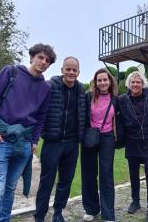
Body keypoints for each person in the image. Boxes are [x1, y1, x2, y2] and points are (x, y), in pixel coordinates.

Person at [0, 43, 56, 222]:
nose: (43, 62)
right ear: (31, 57)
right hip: (1, 139)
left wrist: (34, 141)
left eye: (47, 60)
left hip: (24, 143)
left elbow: (41, 117)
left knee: (10, 188)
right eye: (40, 57)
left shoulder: (46, 88)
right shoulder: (11, 72)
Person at [34, 56, 86, 222]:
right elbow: (38, 110)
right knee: (46, 181)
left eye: (74, 70)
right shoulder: (50, 86)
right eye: (68, 69)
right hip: (52, 142)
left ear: (78, 72)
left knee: (65, 181)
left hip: (71, 143)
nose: (71, 72)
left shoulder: (81, 90)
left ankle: (58, 212)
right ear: (62, 70)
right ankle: (40, 215)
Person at [118, 71, 148, 222]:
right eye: (132, 82)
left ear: (143, 84)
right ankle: (135, 202)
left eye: (138, 82)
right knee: (134, 173)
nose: (135, 85)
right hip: (132, 140)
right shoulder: (123, 99)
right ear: (128, 85)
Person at [81, 68, 119, 222]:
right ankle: (92, 209)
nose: (103, 82)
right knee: (88, 173)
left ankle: (108, 214)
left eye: (105, 79)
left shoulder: (116, 99)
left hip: (107, 138)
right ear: (95, 83)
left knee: (106, 175)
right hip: (90, 136)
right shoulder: (88, 97)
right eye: (99, 80)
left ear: (110, 82)